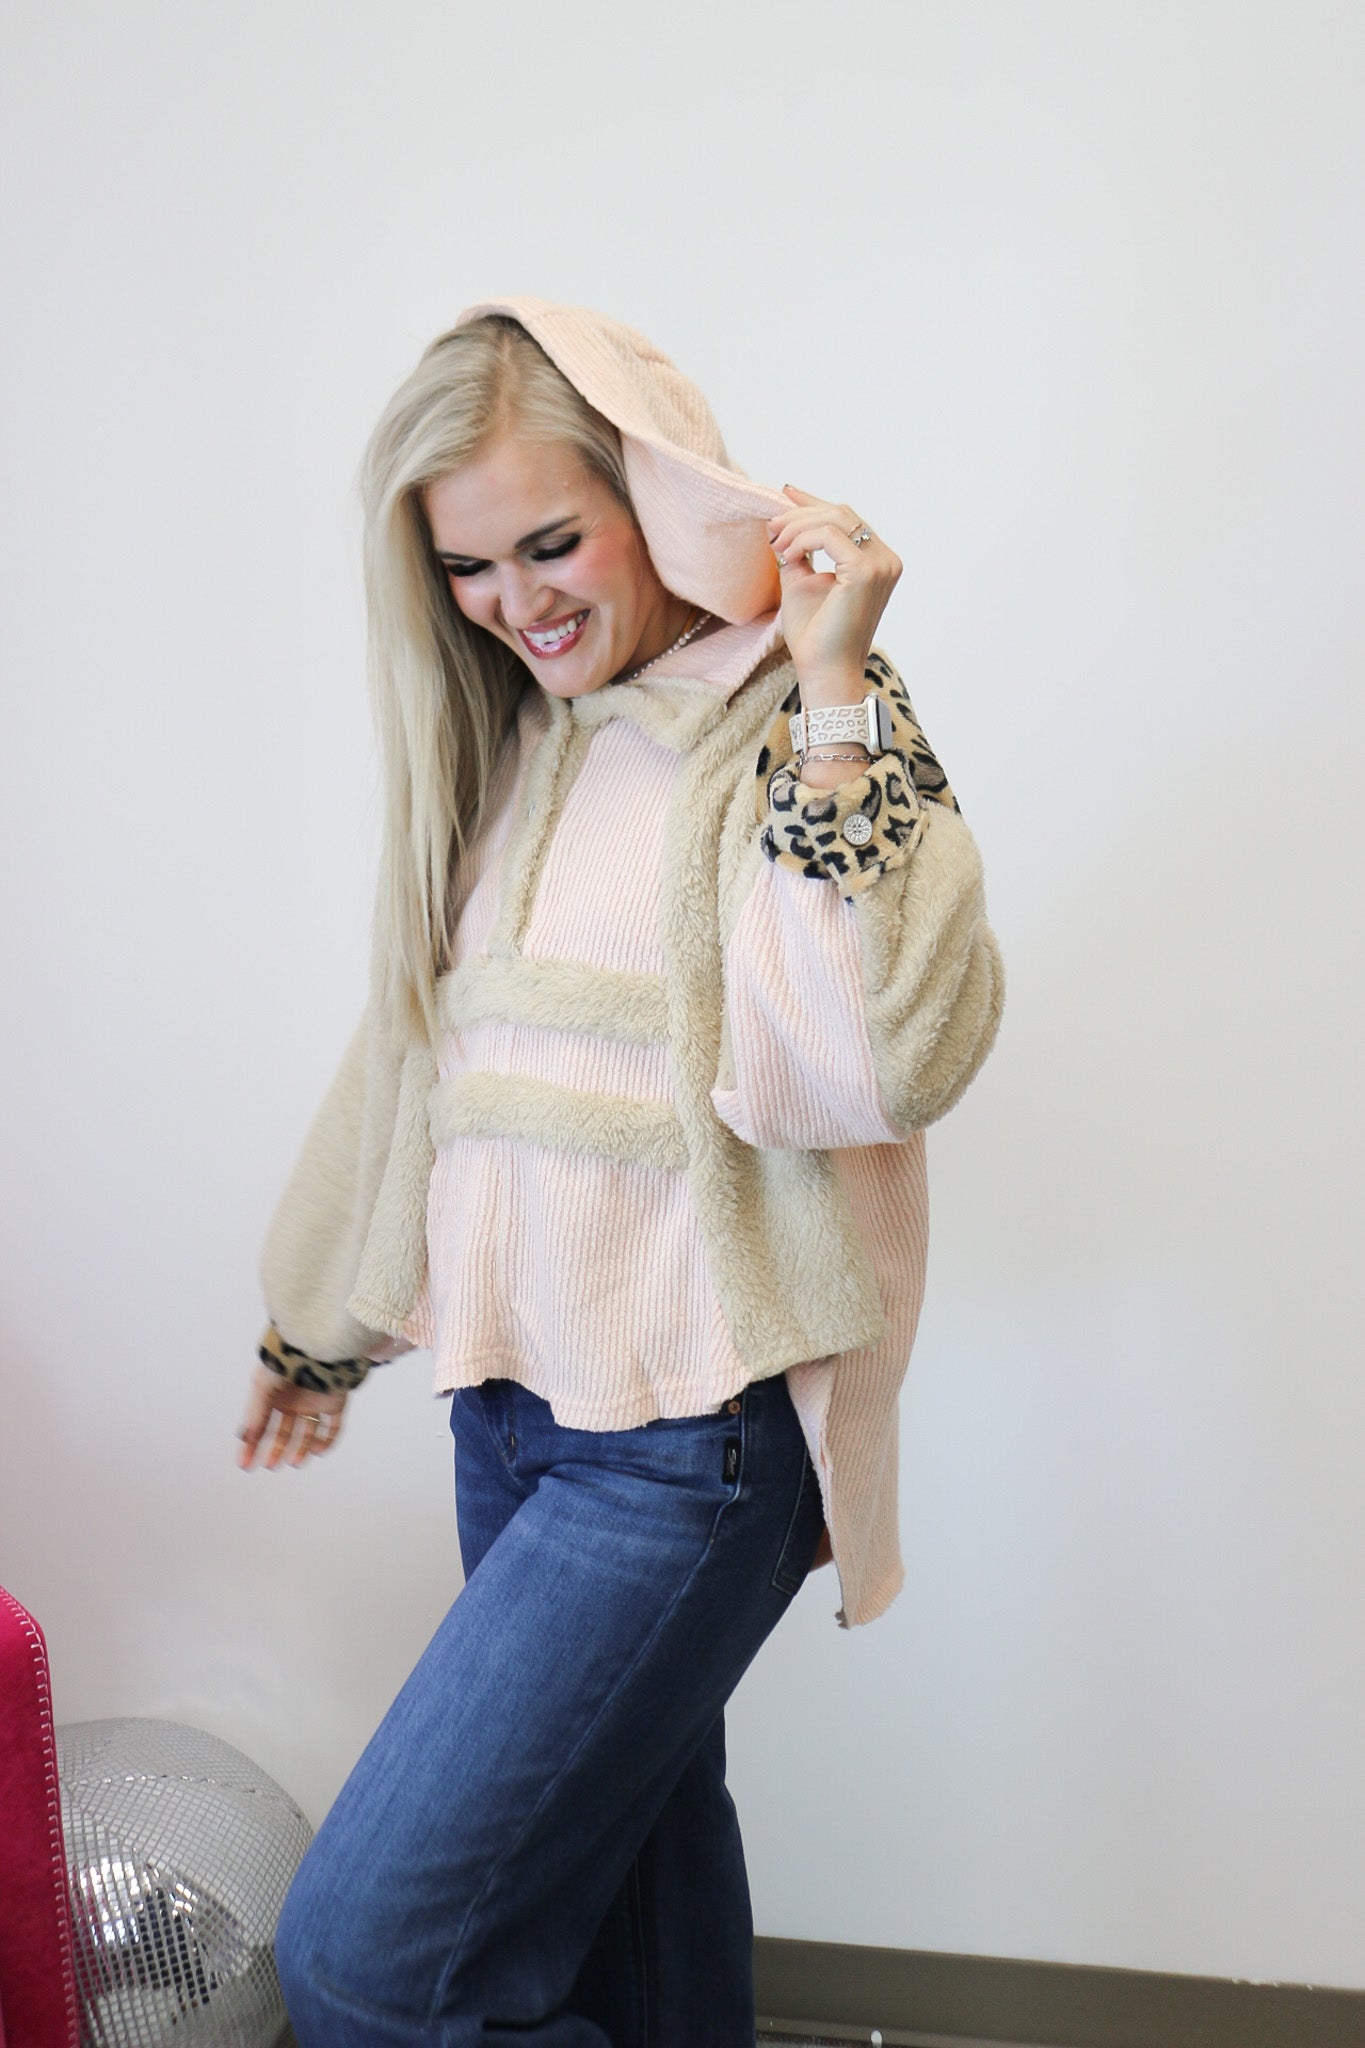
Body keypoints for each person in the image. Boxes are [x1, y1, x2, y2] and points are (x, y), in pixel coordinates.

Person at [236, 295, 1005, 2046]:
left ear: (648, 501)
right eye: (467, 566)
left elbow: (882, 1059)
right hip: (508, 1413)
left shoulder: (790, 724)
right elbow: (417, 1058)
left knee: (366, 1964)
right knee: (628, 1911)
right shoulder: (510, 741)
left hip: (692, 1441)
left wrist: (832, 685)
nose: (514, 602)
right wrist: (313, 1328)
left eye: (551, 542)